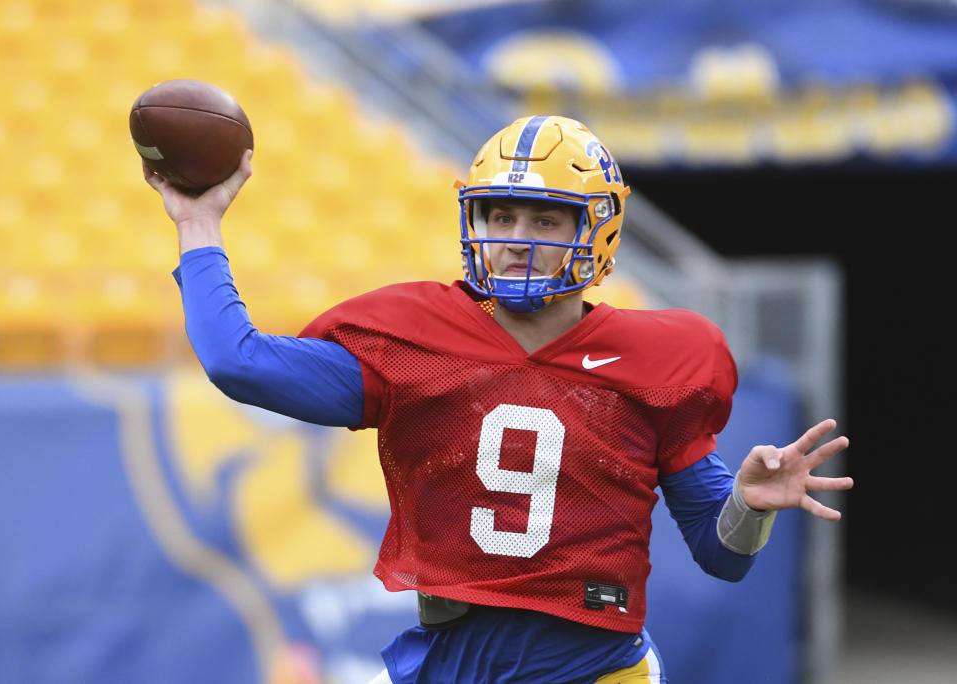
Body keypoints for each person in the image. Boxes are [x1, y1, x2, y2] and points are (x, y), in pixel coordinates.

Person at [145, 115, 853, 684]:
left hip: (591, 669)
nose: (517, 241)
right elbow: (238, 364)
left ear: (596, 230)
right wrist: (198, 225)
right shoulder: (413, 339)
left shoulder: (659, 359)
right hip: (454, 663)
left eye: (546, 220)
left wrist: (749, 507)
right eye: (500, 215)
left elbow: (722, 553)